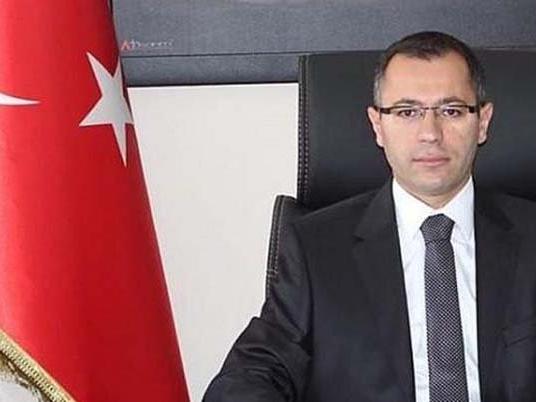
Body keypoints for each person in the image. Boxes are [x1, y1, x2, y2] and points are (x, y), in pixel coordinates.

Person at [203, 31, 536, 402]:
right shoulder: (316, 249)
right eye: (407, 112)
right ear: (378, 126)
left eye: (451, 111)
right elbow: (248, 377)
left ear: (483, 122)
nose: (430, 133)